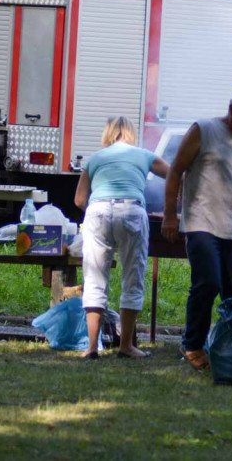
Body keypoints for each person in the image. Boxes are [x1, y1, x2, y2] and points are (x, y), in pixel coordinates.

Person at [162, 87, 232, 372]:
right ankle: (192, 344)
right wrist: (171, 215)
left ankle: (231, 348)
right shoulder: (203, 130)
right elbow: (175, 171)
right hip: (202, 221)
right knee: (207, 283)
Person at [74, 116, 169, 359]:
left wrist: (98, 213)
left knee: (95, 278)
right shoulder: (144, 154)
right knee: (132, 277)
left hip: (98, 212)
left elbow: (79, 200)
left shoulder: (95, 158)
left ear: (107, 133)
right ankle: (126, 346)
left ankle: (92, 347)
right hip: (131, 211)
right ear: (131, 133)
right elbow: (174, 175)